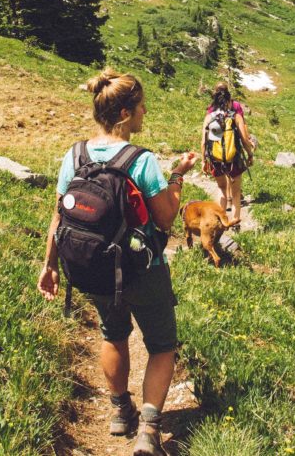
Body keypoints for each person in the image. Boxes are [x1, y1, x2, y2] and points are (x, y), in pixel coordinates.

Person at [37, 69, 196, 456]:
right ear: (126, 113)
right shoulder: (140, 161)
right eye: (141, 107)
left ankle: (119, 412)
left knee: (113, 334)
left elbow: (60, 213)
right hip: (142, 269)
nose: (145, 113)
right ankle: (148, 430)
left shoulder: (74, 155)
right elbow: (165, 218)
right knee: (162, 345)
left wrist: (50, 265)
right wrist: (177, 175)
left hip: (93, 268)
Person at [201, 82, 255, 222]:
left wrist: (203, 161)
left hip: (215, 159)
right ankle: (235, 222)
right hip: (234, 159)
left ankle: (220, 222)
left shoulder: (209, 116)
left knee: (222, 190)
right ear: (229, 96)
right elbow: (244, 139)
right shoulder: (235, 116)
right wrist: (250, 155)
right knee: (236, 194)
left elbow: (203, 142)